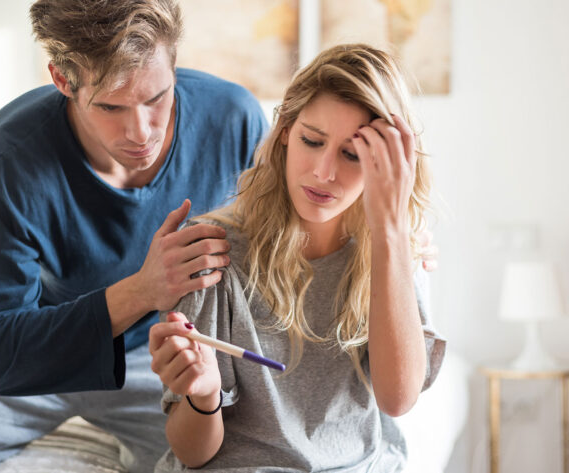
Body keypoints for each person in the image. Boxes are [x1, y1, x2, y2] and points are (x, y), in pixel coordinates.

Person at [0, 1, 268, 472]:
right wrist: (143, 289)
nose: (141, 131)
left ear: (174, 64)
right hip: (42, 340)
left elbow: (271, 277)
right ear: (63, 81)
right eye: (110, 106)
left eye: (157, 97)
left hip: (168, 354)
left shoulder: (234, 119)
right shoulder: (4, 157)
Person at [149, 44, 446, 472]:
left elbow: (398, 399)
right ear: (285, 130)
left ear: (387, 164)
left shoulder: (399, 248)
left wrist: (391, 235)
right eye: (312, 140)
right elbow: (193, 452)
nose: (324, 172)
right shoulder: (213, 252)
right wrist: (204, 395)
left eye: (351, 154)